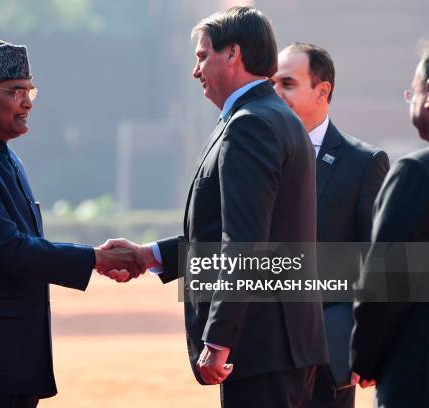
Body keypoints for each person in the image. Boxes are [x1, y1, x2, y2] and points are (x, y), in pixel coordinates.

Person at [103, 7, 328, 407]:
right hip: (280, 346)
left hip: (261, 346)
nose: (196, 70)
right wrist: (151, 256)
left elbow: (243, 241)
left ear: (233, 54)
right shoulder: (273, 117)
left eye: (202, 55)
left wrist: (221, 338)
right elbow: (230, 229)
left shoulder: (250, 124)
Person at [0, 40, 144, 408]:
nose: (28, 102)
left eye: (30, 90)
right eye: (16, 91)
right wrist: (95, 259)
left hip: (7, 362)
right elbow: (11, 249)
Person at [271, 42, 389, 407]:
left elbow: (376, 261)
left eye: (287, 83)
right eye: (271, 83)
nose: (275, 93)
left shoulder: (363, 163)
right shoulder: (253, 157)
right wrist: (155, 255)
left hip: (328, 357)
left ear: (323, 91)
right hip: (261, 355)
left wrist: (367, 345)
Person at [351, 37, 429, 407]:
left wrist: (364, 359)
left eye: (412, 91)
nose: (410, 99)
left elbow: (386, 283)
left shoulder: (416, 174)